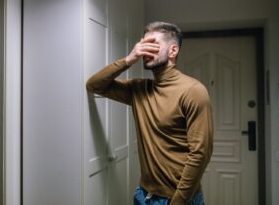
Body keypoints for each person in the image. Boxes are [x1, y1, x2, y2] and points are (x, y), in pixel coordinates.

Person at [86, 21, 213, 205]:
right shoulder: (138, 89)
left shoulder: (194, 91)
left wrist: (178, 201)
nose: (145, 51)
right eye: (143, 44)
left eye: (152, 45)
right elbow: (94, 85)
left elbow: (200, 154)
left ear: (173, 51)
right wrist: (128, 60)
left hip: (179, 199)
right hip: (143, 195)